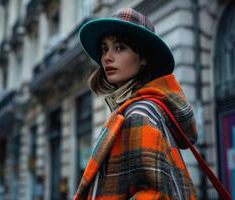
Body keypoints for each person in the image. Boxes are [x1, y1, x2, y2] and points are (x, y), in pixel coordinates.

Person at [74, 8, 198, 200]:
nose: (107, 57)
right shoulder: (143, 108)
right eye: (105, 49)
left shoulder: (139, 113)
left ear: (143, 59)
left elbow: (154, 194)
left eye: (120, 47)